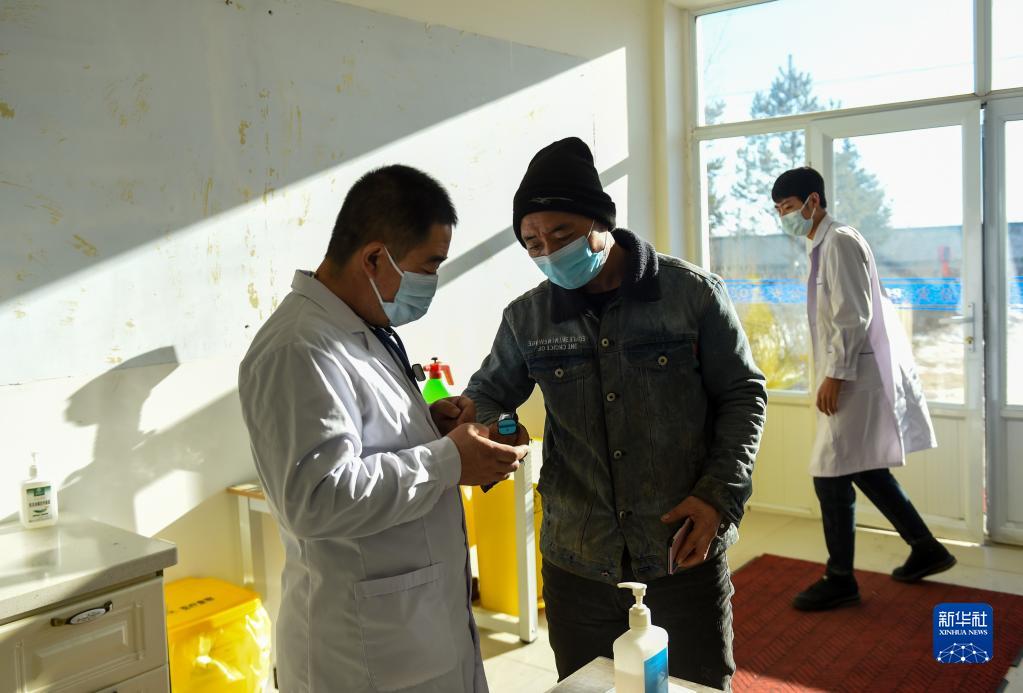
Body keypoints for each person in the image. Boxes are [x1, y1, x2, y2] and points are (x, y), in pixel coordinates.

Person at [463, 137, 767, 691]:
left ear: (601, 222)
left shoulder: (691, 295)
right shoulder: (528, 317)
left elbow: (743, 396)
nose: (548, 252)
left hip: (681, 553)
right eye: (532, 243)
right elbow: (486, 392)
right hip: (577, 562)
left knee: (695, 686)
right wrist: (495, 428)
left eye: (562, 235)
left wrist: (718, 496)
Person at [238, 165, 528, 692]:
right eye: (429, 266)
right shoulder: (298, 348)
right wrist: (448, 460)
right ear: (374, 257)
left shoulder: (360, 328)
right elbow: (317, 498)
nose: (432, 284)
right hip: (362, 653)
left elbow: (362, 441)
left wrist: (429, 428)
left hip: (412, 630)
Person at [771, 166, 957, 612]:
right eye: (777, 210)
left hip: (853, 377)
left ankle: (840, 578)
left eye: (789, 207)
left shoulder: (839, 241)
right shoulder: (823, 243)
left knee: (830, 472)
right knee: (863, 468)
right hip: (850, 373)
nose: (783, 217)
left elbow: (853, 314)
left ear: (814, 201)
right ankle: (926, 547)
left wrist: (835, 375)